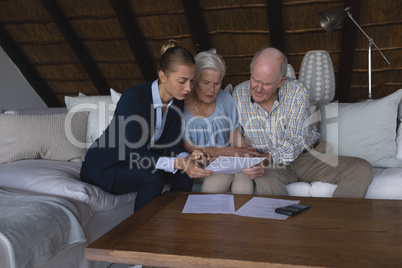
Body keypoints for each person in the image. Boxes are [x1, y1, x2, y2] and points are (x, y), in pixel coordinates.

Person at [80, 40, 213, 212]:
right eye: (182, 81)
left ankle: (178, 221)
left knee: (185, 173)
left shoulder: (177, 102)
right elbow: (133, 152)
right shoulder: (133, 98)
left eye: (191, 81)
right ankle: (140, 231)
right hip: (106, 166)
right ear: (163, 76)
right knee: (153, 177)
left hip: (139, 162)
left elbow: (173, 142)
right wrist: (178, 163)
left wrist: (186, 157)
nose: (188, 88)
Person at [232, 47, 373, 198]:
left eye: (266, 83)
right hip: (270, 166)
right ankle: (281, 221)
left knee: (361, 168)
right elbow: (235, 134)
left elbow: (294, 140)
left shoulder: (297, 92)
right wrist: (250, 159)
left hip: (307, 158)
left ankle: (338, 219)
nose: (258, 89)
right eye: (255, 79)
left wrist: (265, 158)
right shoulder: (239, 94)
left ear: (281, 81)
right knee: (264, 179)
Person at [183, 51, 260, 194]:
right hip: (200, 164)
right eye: (206, 83)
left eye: (217, 83)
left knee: (244, 174)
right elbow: (189, 147)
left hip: (227, 160)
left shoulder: (225, 99)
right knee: (222, 176)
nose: (212, 90)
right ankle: (206, 214)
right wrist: (225, 152)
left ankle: (243, 215)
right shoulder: (181, 104)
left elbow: (234, 135)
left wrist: (248, 152)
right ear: (194, 80)